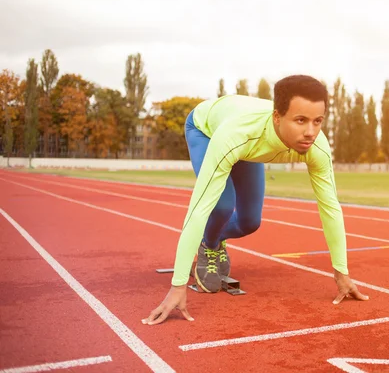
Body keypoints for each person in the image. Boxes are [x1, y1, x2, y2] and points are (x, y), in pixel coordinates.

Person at [142, 75, 368, 326]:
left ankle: (214, 239)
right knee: (222, 205)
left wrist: (341, 273)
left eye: (318, 121)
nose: (310, 132)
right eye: (301, 120)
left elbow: (330, 209)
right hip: (206, 129)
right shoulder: (235, 135)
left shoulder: (317, 147)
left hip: (249, 145)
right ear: (277, 117)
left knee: (250, 222)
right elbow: (198, 209)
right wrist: (177, 287)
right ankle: (209, 244)